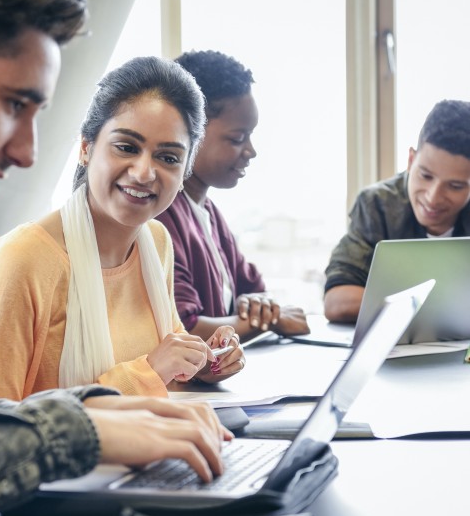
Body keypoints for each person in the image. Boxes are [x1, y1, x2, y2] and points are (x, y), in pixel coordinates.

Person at [0, 0, 231, 516]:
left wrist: (99, 409)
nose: (27, 152)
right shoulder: (22, 257)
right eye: (13, 104)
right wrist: (75, 433)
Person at [0, 54, 246, 402]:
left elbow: (164, 367)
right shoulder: (22, 261)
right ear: (85, 148)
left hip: (151, 449)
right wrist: (148, 372)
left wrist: (203, 361)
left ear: (185, 170)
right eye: (126, 147)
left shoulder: (156, 243)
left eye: (168, 157)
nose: (144, 172)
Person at [156, 50, 309, 342]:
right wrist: (271, 320)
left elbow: (255, 293)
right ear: (190, 132)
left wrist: (262, 311)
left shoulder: (209, 213)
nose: (250, 151)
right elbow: (186, 329)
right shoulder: (161, 216)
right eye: (237, 138)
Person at [324, 99, 470, 323]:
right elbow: (336, 301)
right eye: (425, 175)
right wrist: (438, 307)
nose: (433, 197)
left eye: (455, 186)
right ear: (411, 160)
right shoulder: (376, 205)